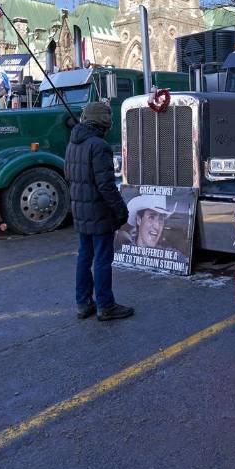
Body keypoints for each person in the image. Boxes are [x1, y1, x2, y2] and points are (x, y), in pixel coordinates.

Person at [64, 101, 133, 322]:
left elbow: (69, 175)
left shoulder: (73, 143)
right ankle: (106, 305)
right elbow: (106, 185)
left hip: (81, 211)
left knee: (84, 256)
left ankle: (83, 303)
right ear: (104, 122)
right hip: (99, 212)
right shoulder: (99, 146)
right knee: (103, 258)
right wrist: (121, 210)